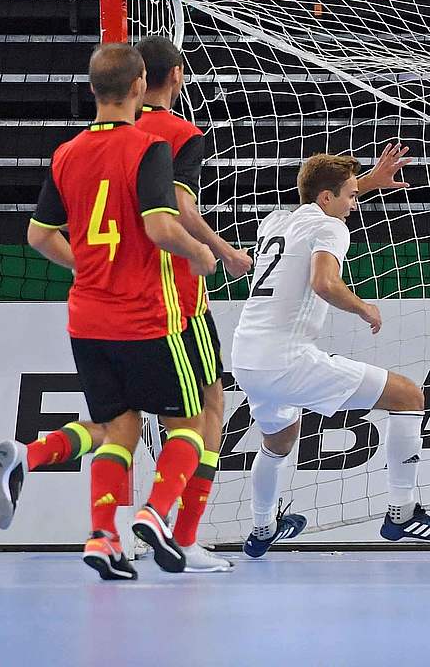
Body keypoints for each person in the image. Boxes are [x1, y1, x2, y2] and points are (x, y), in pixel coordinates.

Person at [0, 44, 217, 580]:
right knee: (191, 422)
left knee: (120, 428)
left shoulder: (66, 153)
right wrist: (201, 253)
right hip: (145, 317)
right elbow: (160, 227)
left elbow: (38, 235)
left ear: (92, 89)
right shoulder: (149, 147)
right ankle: (155, 514)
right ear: (139, 86)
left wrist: (85, 265)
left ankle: (103, 537)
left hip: (87, 320)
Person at [230, 150, 430, 557]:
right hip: (287, 359)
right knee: (408, 396)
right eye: (351, 196)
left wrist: (370, 182)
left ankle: (262, 528)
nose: (355, 204)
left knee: (279, 440)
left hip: (247, 357)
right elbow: (324, 283)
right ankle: (402, 513)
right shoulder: (331, 228)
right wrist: (363, 307)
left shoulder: (276, 221)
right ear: (327, 198)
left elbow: (322, 200)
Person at [133, 35, 253, 572]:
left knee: (126, 422)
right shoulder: (182, 134)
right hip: (177, 294)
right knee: (208, 409)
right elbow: (181, 209)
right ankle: (177, 531)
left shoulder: (106, 136)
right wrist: (223, 251)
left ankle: (118, 528)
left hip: (118, 293)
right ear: (177, 75)